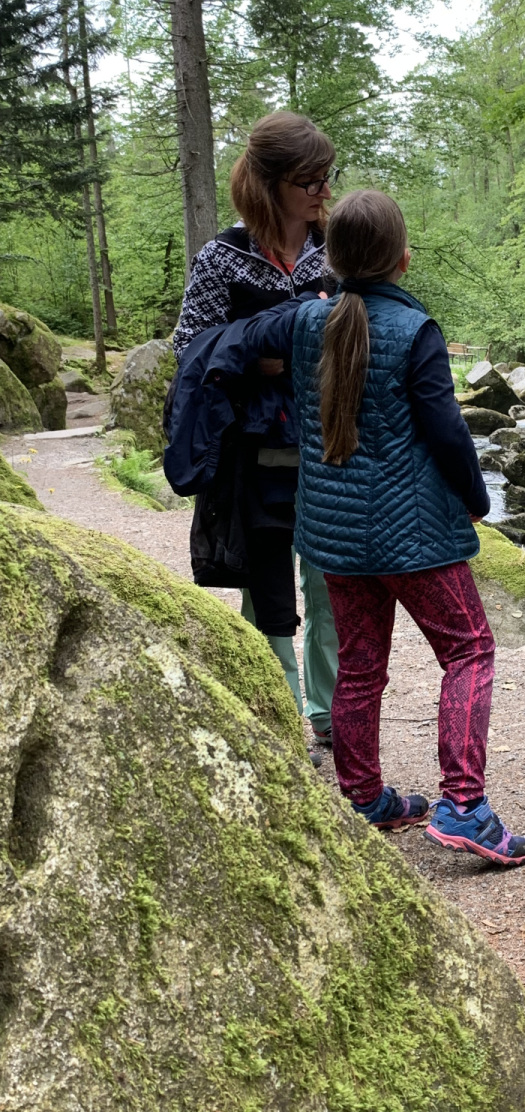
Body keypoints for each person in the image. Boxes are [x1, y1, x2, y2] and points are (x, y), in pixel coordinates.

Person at [199, 189, 525, 866]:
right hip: (414, 535)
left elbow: (230, 340)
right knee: (469, 651)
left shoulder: (303, 322)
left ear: (332, 261)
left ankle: (363, 798)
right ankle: (464, 806)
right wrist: (475, 499)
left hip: (333, 532)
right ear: (403, 259)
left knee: (359, 665)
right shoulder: (415, 331)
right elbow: (447, 432)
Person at [170, 111, 338, 753]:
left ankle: (329, 718)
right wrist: (262, 357)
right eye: (310, 180)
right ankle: (282, 724)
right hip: (254, 454)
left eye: (326, 176)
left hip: (330, 447)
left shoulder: (335, 250)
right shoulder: (222, 259)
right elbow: (190, 348)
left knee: (331, 584)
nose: (324, 191)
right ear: (269, 185)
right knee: (265, 589)